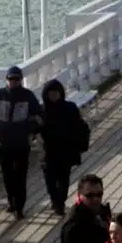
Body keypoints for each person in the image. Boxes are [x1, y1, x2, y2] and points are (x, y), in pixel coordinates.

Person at [0, 65, 43, 220]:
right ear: (6, 79)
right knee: (7, 175)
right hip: (3, 142)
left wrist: (29, 130)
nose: (14, 82)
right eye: (11, 79)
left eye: (17, 79)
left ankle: (19, 207)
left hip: (22, 142)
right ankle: (11, 201)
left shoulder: (28, 96)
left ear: (21, 80)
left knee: (20, 175)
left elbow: (38, 116)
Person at [40, 79, 90, 215]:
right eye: (50, 93)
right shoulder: (43, 110)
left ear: (61, 93)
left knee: (63, 178)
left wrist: (80, 144)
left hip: (66, 149)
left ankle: (60, 203)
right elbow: (38, 128)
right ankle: (54, 199)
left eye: (56, 93)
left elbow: (80, 126)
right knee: (49, 179)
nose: (53, 95)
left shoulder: (70, 107)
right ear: (46, 94)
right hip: (49, 149)